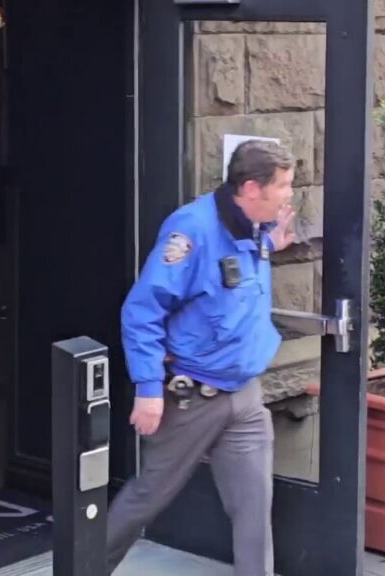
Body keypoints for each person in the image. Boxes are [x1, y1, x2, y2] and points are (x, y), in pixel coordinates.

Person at [106, 139, 297, 575]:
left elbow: (234, 279)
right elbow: (142, 311)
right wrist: (148, 388)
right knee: (147, 496)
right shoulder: (191, 231)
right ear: (251, 188)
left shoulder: (255, 226)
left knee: (254, 510)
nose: (290, 193)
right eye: (283, 185)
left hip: (244, 395)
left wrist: (271, 242)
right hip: (192, 396)